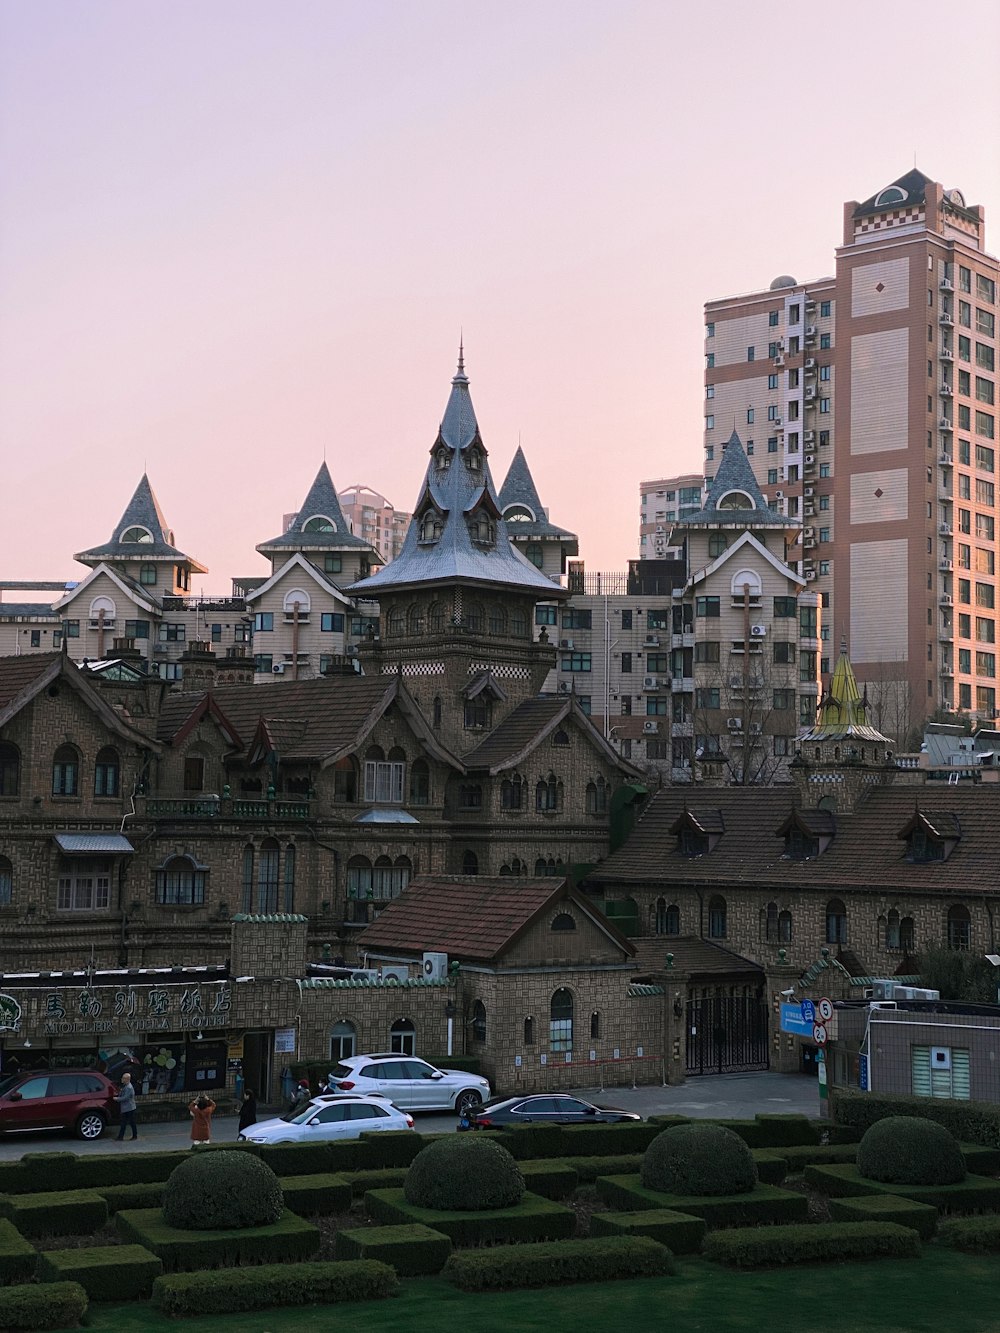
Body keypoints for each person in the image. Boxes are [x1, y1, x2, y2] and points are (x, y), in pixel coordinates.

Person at [115, 1072, 138, 1142]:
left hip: (129, 1108)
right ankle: (121, 1136)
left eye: (123, 1078)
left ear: (127, 1079)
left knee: (130, 1122)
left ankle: (133, 1135)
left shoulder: (129, 1088)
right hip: (126, 1108)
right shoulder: (125, 1086)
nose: (122, 1079)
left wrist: (117, 1099)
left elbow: (125, 1098)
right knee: (125, 1123)